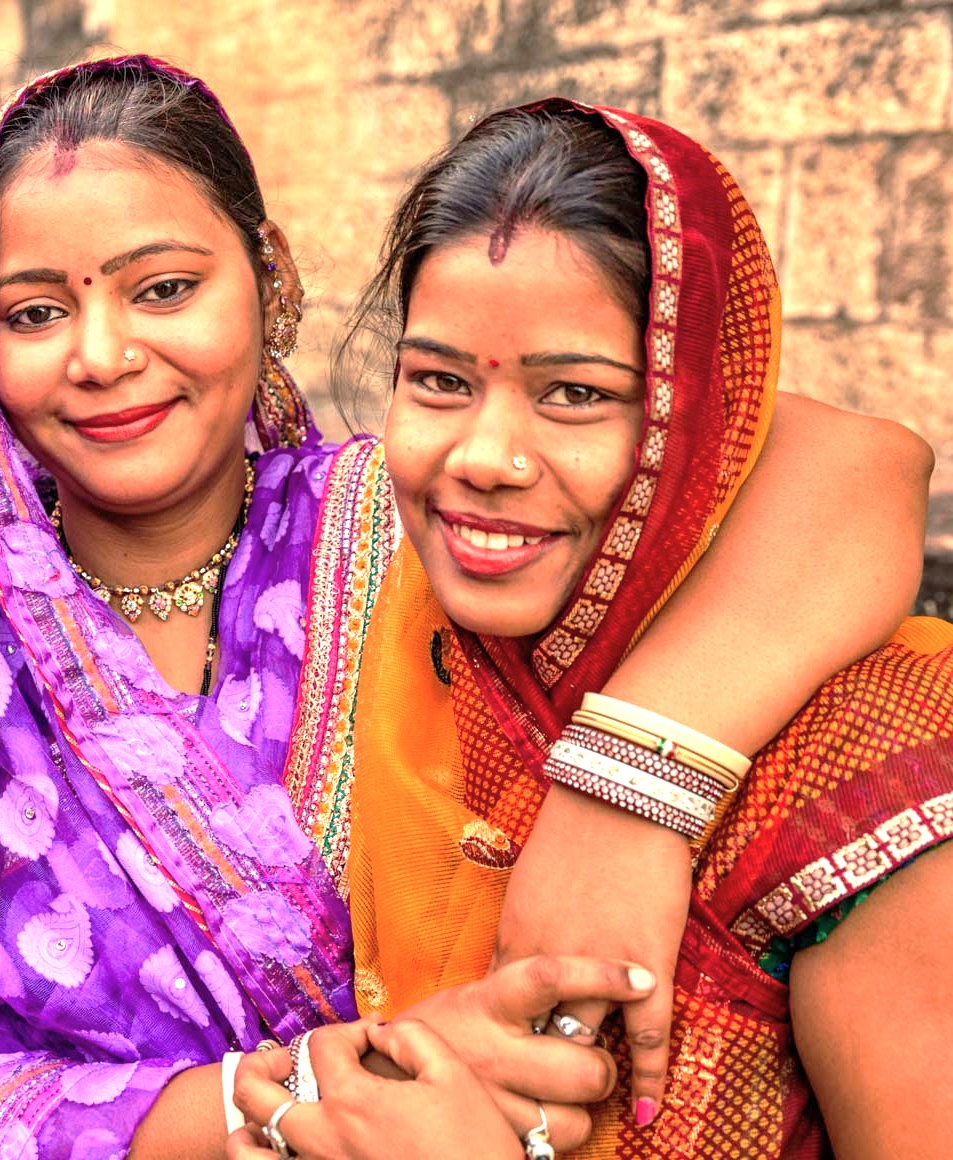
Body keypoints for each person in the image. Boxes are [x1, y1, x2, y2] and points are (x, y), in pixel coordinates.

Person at [0, 57, 930, 1158]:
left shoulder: (419, 523)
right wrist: (295, 1099)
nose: (103, 355)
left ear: (269, 279)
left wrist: (624, 797)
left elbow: (849, 469)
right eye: (36, 310)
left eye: (164, 288)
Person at [322, 99, 953, 1157]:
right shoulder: (373, 612)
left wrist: (632, 780)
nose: (484, 453)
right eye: (436, 380)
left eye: (574, 393)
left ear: (693, 415)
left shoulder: (874, 774)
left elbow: (862, 459)